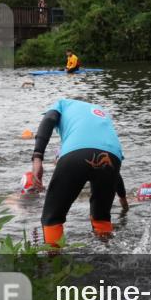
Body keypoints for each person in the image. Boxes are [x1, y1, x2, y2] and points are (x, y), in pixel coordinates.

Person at [29, 98, 126, 246]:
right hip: (113, 155)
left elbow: (49, 118)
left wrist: (37, 158)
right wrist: (123, 201)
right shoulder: (101, 114)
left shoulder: (63, 104)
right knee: (101, 217)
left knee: (52, 218)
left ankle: (55, 263)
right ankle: (106, 256)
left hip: (76, 153)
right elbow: (114, 172)